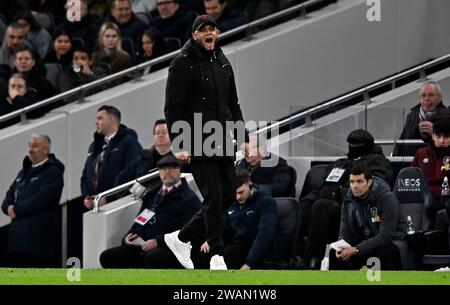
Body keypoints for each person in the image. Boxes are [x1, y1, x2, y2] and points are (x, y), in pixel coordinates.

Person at [163, 15, 248, 270]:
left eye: (213, 29)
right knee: (213, 196)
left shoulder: (222, 61)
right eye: (204, 30)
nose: (210, 33)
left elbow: (233, 104)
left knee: (227, 197)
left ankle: (181, 237)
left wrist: (243, 138)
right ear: (194, 35)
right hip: (196, 139)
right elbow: (172, 108)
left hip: (221, 138)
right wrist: (179, 144)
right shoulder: (182, 64)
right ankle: (216, 255)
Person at [300, 128, 394, 269]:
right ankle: (291, 257)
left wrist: (343, 192)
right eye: (352, 143)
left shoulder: (378, 163)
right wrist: (305, 202)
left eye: (358, 143)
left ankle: (310, 262)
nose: (354, 146)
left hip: (360, 211)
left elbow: (376, 187)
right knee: (301, 208)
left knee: (321, 206)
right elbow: (321, 187)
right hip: (334, 209)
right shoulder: (340, 163)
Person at [99, 154, 202, 268]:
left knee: (153, 257)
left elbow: (188, 233)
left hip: (170, 248)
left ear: (179, 170)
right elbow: (140, 221)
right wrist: (128, 237)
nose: (167, 172)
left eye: (172, 168)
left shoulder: (189, 199)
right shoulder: (152, 194)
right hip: (142, 246)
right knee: (107, 256)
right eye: (163, 169)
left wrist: (158, 242)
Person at [1, 134, 64, 267]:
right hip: (16, 242)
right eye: (29, 145)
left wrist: (16, 209)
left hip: (38, 243)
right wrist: (8, 208)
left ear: (46, 150)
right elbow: (9, 196)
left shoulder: (53, 173)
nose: (30, 149)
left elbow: (42, 199)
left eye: (35, 146)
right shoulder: (23, 173)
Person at [329, 163, 404, 270]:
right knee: (336, 254)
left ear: (369, 182)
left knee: (383, 252)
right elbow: (345, 230)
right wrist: (341, 246)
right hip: (364, 242)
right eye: (352, 182)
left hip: (389, 242)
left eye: (359, 181)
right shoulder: (348, 200)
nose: (355, 186)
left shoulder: (387, 198)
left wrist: (357, 249)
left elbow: (386, 235)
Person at [81, 105, 142, 210]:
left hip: (119, 206)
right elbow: (85, 176)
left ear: (112, 120)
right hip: (95, 208)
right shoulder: (94, 146)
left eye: (100, 118)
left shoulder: (129, 143)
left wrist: (109, 198)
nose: (96, 122)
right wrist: (87, 196)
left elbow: (133, 175)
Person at [222, 168, 278, 269]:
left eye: (241, 192)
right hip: (236, 244)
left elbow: (265, 234)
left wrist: (249, 263)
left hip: (256, 248)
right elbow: (223, 228)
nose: (237, 197)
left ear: (249, 184)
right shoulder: (231, 203)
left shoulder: (266, 202)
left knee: (230, 253)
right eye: (234, 193)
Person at [411, 117, 450, 231]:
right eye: (438, 136)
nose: (441, 141)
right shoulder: (421, 153)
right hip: (423, 200)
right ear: (432, 136)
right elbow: (412, 180)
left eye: (446, 137)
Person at [393, 81, 448, 156]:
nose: (427, 99)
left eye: (431, 95)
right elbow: (402, 141)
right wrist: (395, 159)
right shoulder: (411, 115)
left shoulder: (447, 116)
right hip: (410, 162)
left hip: (434, 163)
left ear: (440, 97)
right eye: (423, 95)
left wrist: (434, 133)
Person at [116, 119, 172, 187]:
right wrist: (134, 192)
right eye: (157, 133)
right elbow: (120, 180)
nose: (160, 135)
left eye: (164, 132)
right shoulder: (143, 159)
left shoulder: (180, 158)